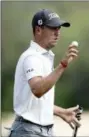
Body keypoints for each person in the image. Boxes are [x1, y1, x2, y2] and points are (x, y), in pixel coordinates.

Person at [9, 9, 81, 137]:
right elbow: (38, 90)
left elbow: (33, 104)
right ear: (38, 30)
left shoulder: (43, 58)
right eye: (53, 28)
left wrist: (62, 112)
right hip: (28, 131)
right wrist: (62, 65)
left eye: (59, 28)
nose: (57, 33)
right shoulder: (31, 57)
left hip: (41, 131)